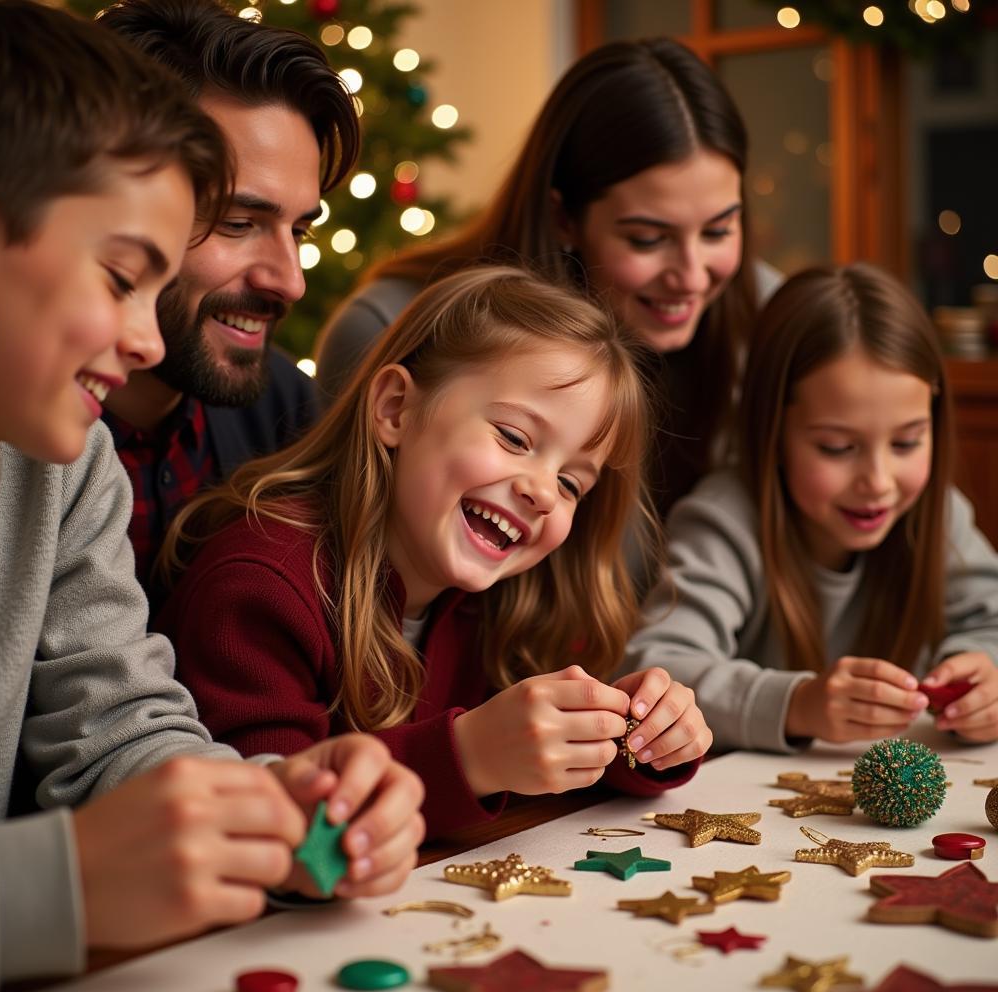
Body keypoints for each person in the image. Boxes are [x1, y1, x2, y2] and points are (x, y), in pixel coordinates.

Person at [0, 1, 422, 992]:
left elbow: (120, 718)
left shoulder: (67, 459)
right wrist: (61, 883)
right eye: (125, 273)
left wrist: (273, 804)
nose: (290, 275)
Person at [156, 266, 713, 841]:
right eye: (514, 438)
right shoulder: (259, 587)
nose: (544, 493)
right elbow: (277, 820)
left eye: (572, 484)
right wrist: (469, 756)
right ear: (396, 409)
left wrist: (636, 737)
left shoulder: (510, 606)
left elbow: (548, 760)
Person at [315, 38, 778, 513]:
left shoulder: (770, 320)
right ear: (563, 219)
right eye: (647, 239)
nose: (692, 277)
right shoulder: (390, 328)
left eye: (719, 230)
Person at [619, 264, 998, 753]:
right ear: (774, 433)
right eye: (837, 448)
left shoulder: (939, 513)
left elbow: (991, 621)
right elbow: (656, 669)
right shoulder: (727, 518)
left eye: (906, 442)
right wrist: (798, 703)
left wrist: (984, 670)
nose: (878, 482)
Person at [96, 0, 361, 601]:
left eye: (298, 231)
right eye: (240, 223)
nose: (290, 281)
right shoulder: (9, 434)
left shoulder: (287, 415)